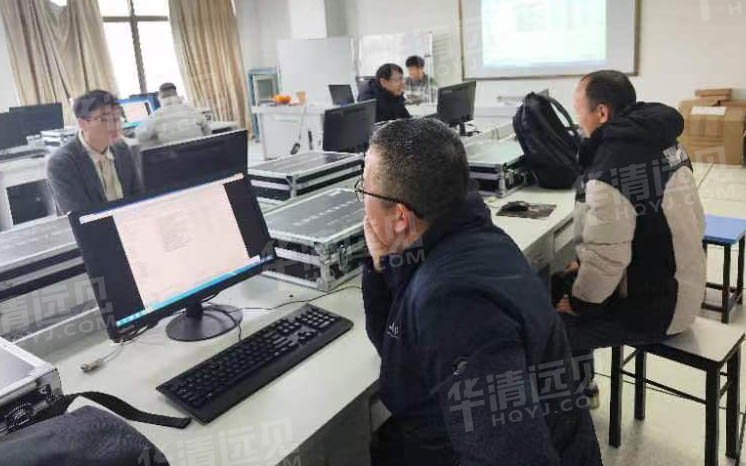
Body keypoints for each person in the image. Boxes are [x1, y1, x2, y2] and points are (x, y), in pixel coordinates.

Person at [360, 118, 602, 466]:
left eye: (365, 190)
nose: (363, 202)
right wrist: (383, 264)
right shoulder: (468, 239)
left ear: (401, 216)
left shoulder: (455, 304)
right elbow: (397, 341)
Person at [554, 70, 706, 404]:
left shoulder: (612, 167)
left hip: (658, 309)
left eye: (578, 110)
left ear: (602, 112)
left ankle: (576, 404)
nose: (577, 121)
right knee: (576, 279)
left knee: (555, 322)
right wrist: (585, 266)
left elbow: (608, 258)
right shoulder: (661, 141)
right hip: (685, 284)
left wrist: (578, 304)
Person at [47, 90, 143, 214]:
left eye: (117, 118)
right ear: (83, 123)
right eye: (105, 119)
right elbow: (81, 215)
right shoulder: (62, 163)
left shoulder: (121, 149)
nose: (115, 125)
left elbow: (138, 198)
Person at [135, 83, 210, 148]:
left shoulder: (154, 118)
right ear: (176, 95)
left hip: (172, 158)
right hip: (199, 156)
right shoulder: (193, 112)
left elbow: (140, 137)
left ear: (160, 98)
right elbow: (208, 135)